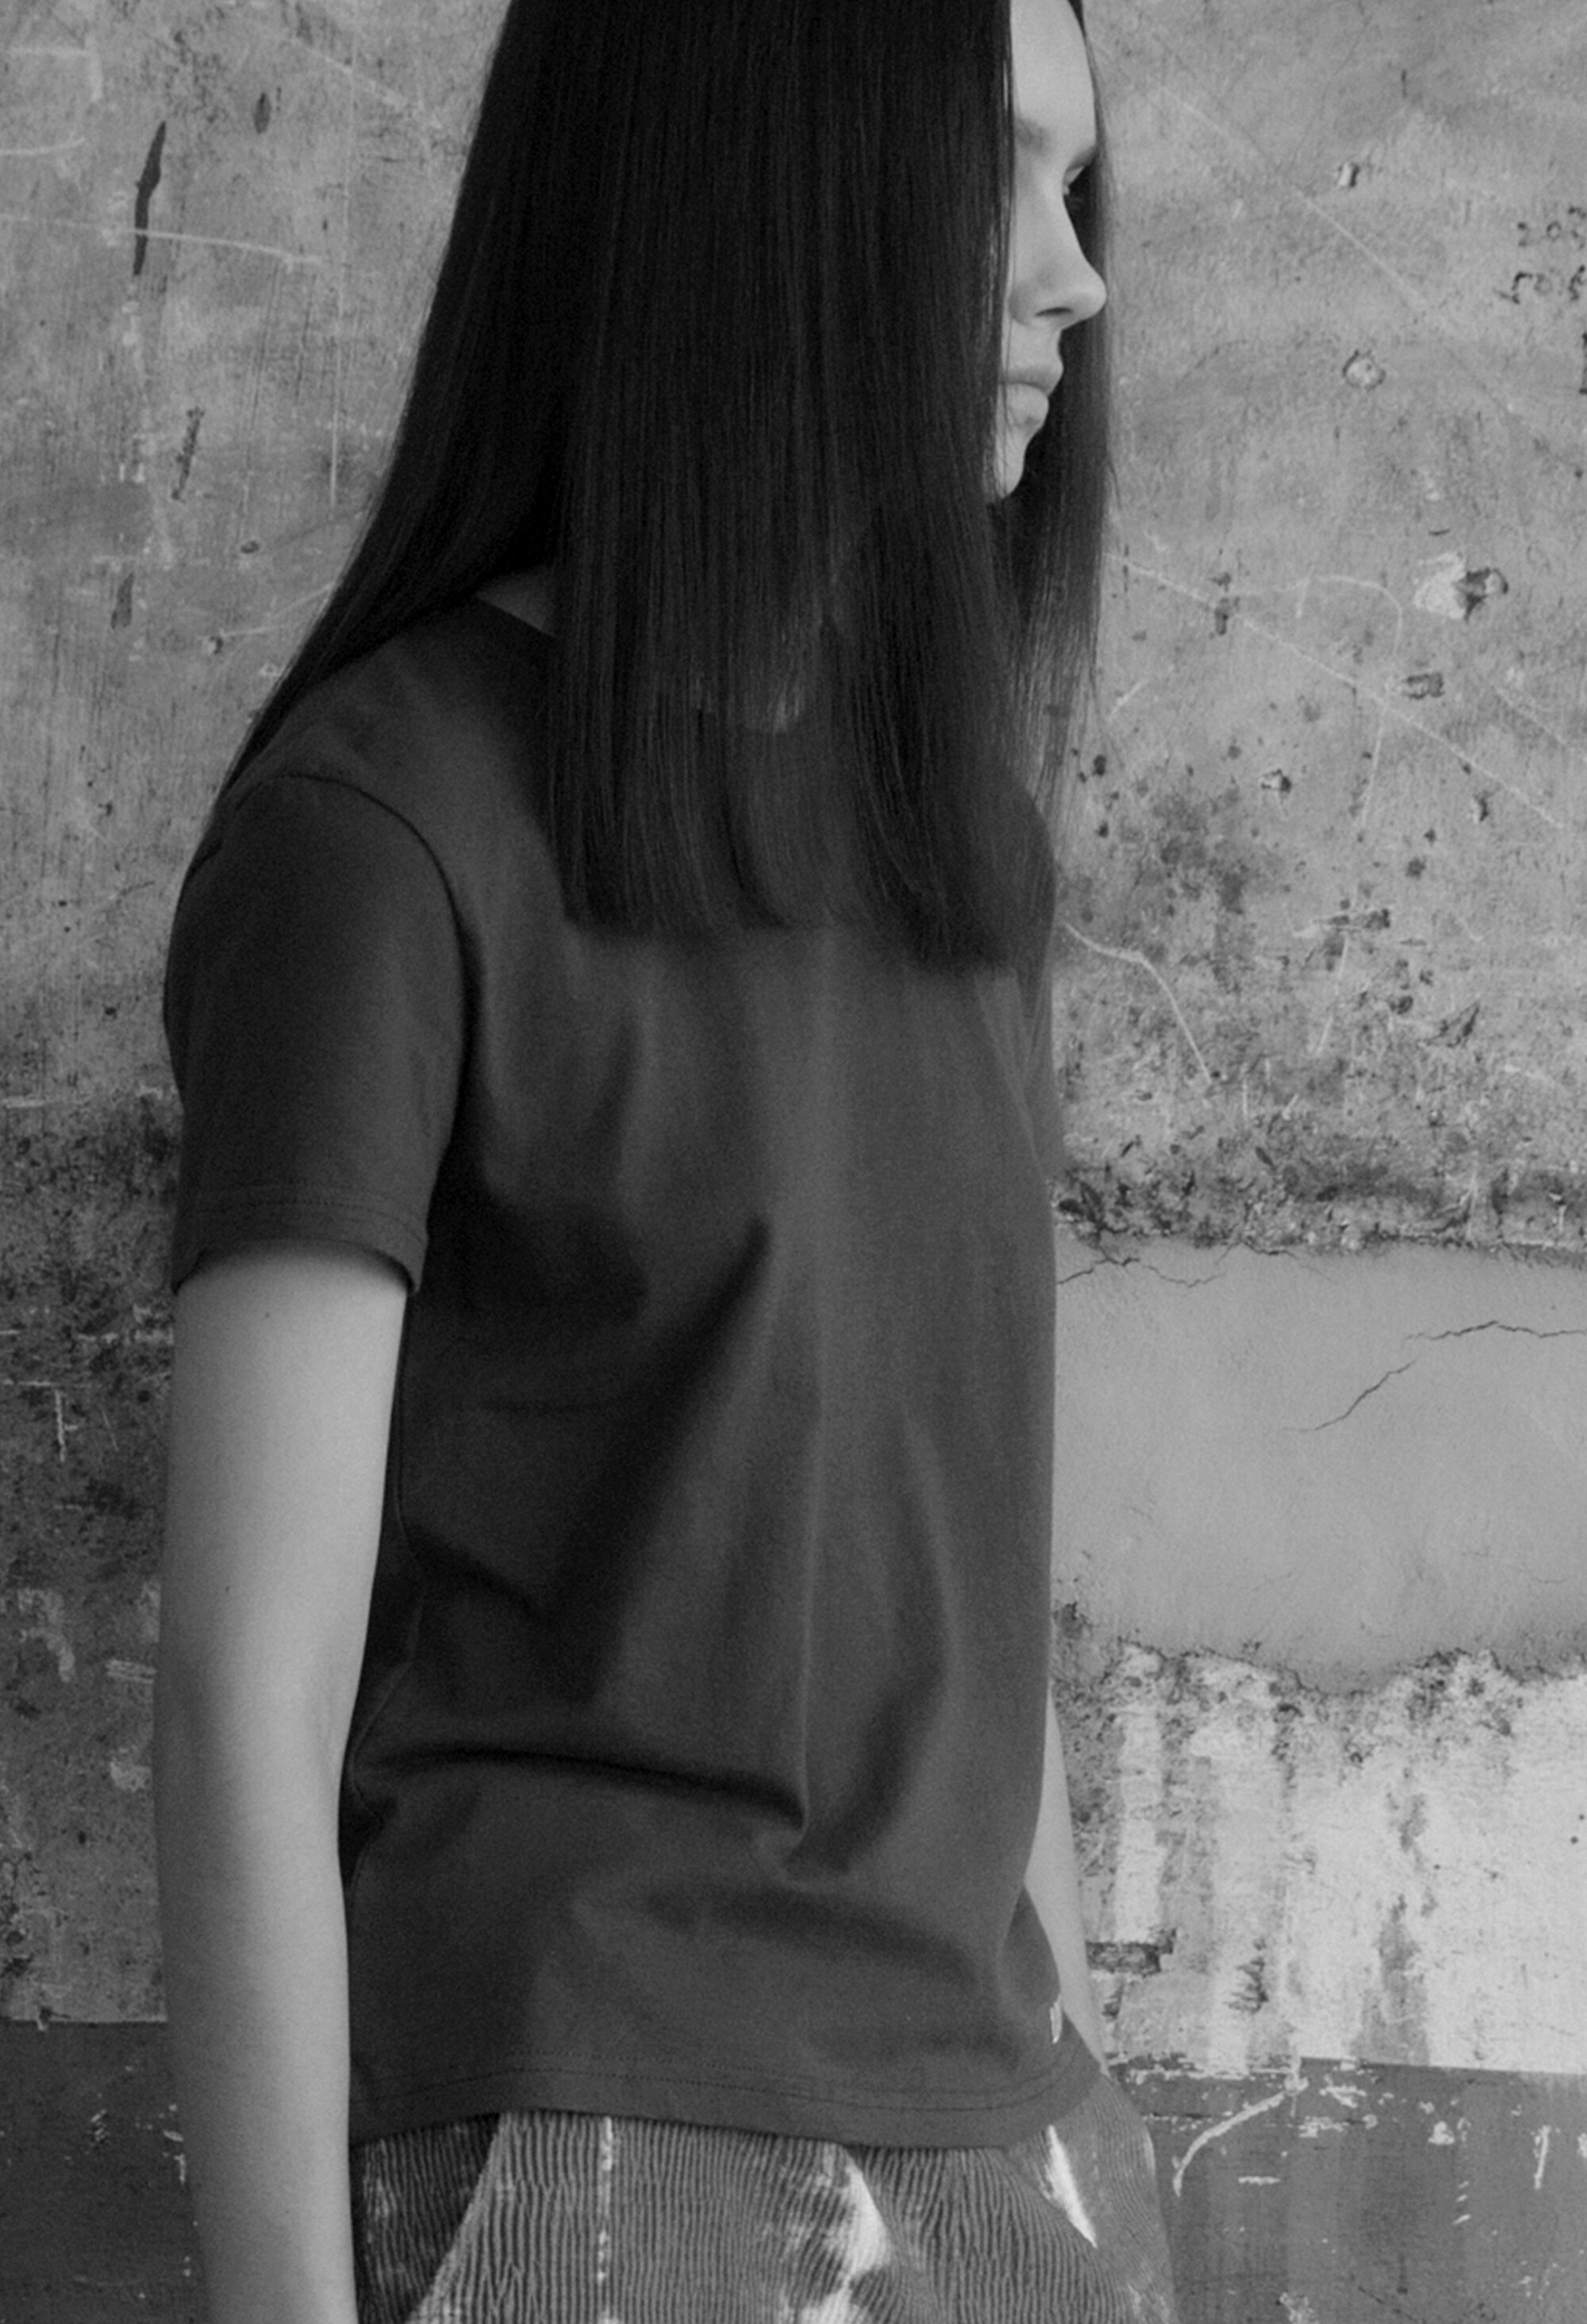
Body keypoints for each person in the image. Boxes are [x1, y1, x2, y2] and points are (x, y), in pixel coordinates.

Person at [154, 0, 1179, 2316]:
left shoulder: (958, 851)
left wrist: (1090, 2146)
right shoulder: (385, 825)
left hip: (1005, 2148)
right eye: (998, 170)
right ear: (760, 182)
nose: (1075, 272)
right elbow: (242, 1696)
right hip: (577, 2152)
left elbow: (965, 1571)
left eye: (1074, 178)